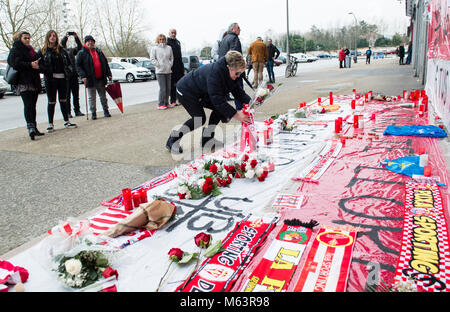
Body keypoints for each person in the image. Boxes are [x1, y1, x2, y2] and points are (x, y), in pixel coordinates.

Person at [165, 51, 251, 154]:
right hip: (186, 90)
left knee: (220, 110)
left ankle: (207, 139)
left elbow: (237, 91)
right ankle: (172, 140)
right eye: (237, 73)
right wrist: (237, 115)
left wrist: (251, 102)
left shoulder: (231, 73)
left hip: (202, 91)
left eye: (240, 73)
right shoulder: (215, 73)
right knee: (199, 118)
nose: (238, 76)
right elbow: (217, 100)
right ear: (228, 67)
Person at [37, 30, 77, 133]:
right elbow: (38, 64)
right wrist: (45, 70)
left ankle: (66, 121)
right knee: (51, 101)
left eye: (54, 35)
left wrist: (69, 72)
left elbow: (69, 63)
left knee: (63, 100)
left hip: (63, 79)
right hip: (50, 79)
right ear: (47, 37)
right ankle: (50, 124)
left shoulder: (62, 50)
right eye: (50, 36)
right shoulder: (42, 51)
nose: (52, 37)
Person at [7, 31, 43, 140]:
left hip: (33, 80)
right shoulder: (15, 49)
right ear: (20, 39)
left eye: (28, 38)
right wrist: (29, 64)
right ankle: (30, 127)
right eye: (25, 38)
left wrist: (37, 64)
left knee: (33, 105)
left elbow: (36, 61)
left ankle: (34, 127)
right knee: (28, 105)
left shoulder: (31, 49)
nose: (27, 40)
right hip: (23, 81)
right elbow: (14, 63)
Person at [76, 35, 112, 120]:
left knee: (103, 96)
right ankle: (93, 113)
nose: (90, 42)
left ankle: (106, 111)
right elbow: (78, 66)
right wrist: (83, 76)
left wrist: (108, 73)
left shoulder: (99, 51)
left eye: (92, 41)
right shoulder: (81, 53)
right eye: (88, 41)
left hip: (101, 78)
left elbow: (105, 64)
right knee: (92, 98)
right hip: (90, 79)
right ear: (85, 42)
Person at [61, 31, 84, 117]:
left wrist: (76, 37)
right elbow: (62, 44)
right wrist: (66, 37)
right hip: (66, 76)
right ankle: (68, 112)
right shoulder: (62, 51)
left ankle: (77, 110)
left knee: (76, 95)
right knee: (67, 96)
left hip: (74, 75)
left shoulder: (71, 50)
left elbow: (79, 47)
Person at [150, 34, 173, 110]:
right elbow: (152, 59)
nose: (162, 40)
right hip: (160, 71)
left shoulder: (169, 48)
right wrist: (158, 65)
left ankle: (166, 103)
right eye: (160, 39)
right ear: (158, 40)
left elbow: (171, 58)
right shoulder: (154, 48)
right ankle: (160, 104)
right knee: (162, 88)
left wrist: (170, 65)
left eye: (163, 39)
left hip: (168, 71)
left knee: (168, 88)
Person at [167, 29, 184, 107]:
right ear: (169, 33)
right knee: (172, 85)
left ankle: (180, 99)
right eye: (172, 33)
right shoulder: (167, 43)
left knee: (180, 84)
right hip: (172, 67)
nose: (173, 34)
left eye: (175, 33)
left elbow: (180, 55)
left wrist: (182, 66)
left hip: (179, 66)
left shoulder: (178, 42)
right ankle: (173, 100)